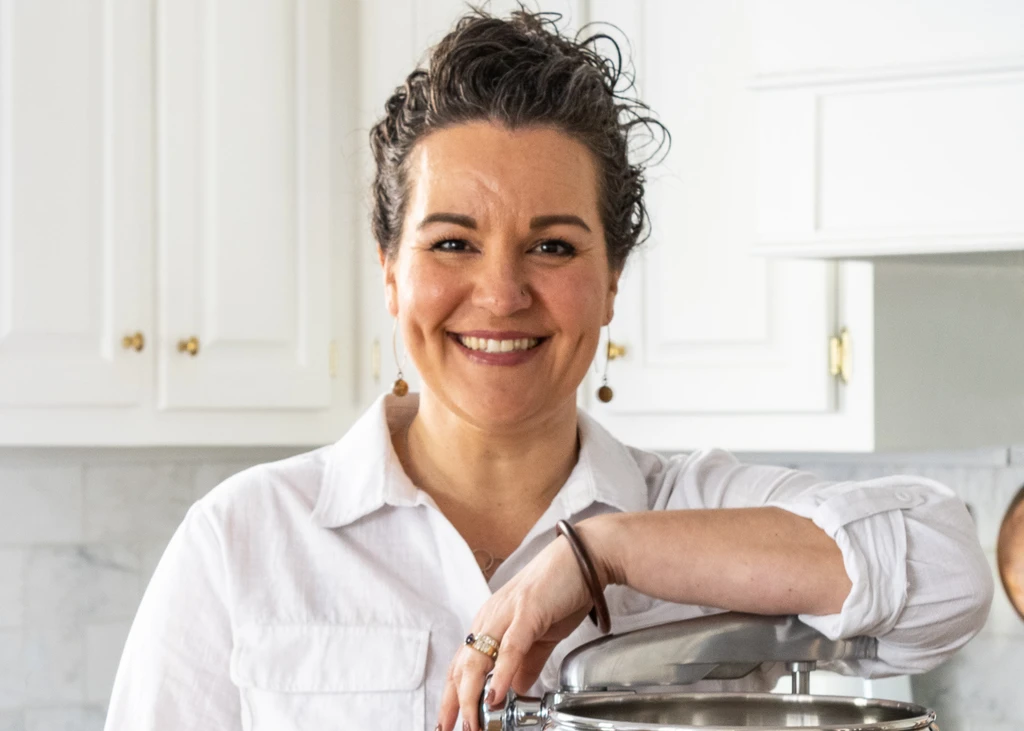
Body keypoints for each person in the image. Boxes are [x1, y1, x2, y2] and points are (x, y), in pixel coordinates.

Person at [103, 8, 993, 731]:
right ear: (389, 270)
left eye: (553, 246)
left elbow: (949, 569)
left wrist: (605, 553)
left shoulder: (690, 510)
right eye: (452, 242)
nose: (501, 293)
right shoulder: (242, 542)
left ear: (612, 281)